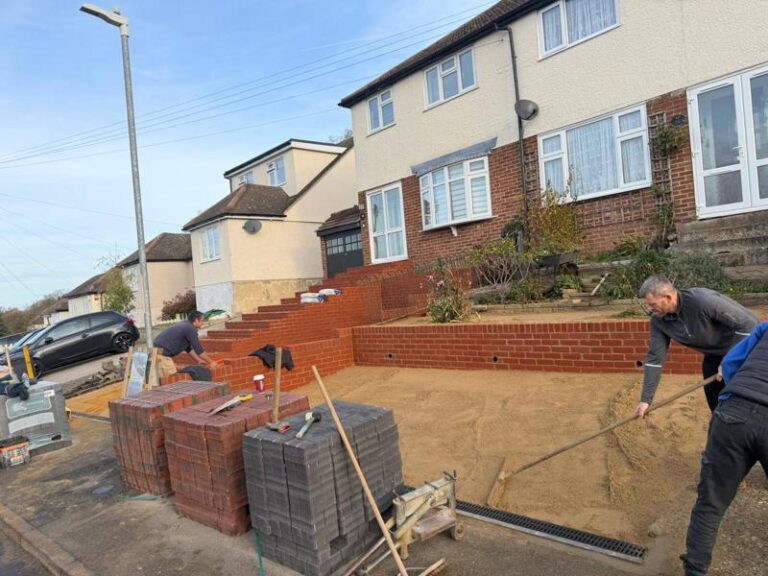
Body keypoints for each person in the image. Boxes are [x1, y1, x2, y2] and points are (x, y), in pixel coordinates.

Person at [681, 321, 768, 576]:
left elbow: (730, 363)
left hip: (733, 410)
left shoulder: (765, 327)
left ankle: (695, 572)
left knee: (711, 503)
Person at [635, 277, 757, 418]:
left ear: (668, 297)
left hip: (746, 348)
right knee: (716, 404)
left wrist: (730, 359)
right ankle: (721, 431)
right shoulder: (658, 321)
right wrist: (646, 400)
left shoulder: (702, 301)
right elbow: (655, 360)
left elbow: (749, 324)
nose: (650, 309)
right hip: (715, 355)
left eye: (652, 304)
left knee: (748, 401)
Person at [154, 311, 218, 378]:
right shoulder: (190, 329)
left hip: (157, 352)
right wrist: (211, 362)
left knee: (163, 381)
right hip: (162, 355)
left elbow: (188, 348)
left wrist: (199, 360)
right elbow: (199, 350)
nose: (203, 323)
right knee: (173, 380)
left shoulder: (186, 325)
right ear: (196, 320)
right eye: (202, 321)